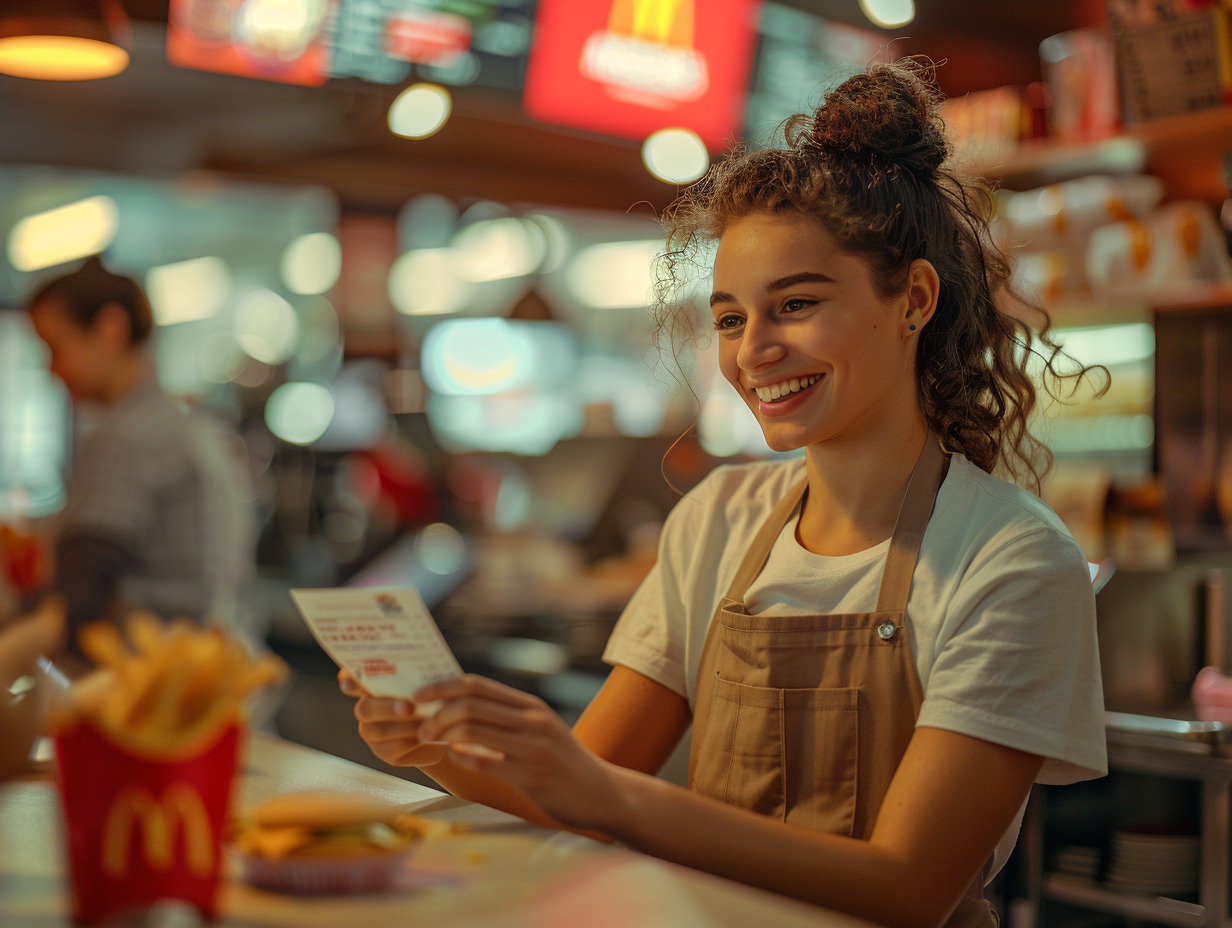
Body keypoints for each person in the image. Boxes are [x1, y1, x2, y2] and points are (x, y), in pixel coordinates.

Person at [342, 61, 1107, 928]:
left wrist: (612, 798)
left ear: (915, 300)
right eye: (733, 318)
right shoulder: (719, 519)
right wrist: (439, 748)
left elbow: (906, 889)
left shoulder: (1011, 558)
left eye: (797, 304)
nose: (753, 353)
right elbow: (580, 787)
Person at [25, 257, 259, 659]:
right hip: (214, 669)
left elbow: (79, 592)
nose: (52, 370)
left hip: (157, 693)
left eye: (56, 347)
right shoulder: (185, 424)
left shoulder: (128, 435)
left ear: (109, 328)